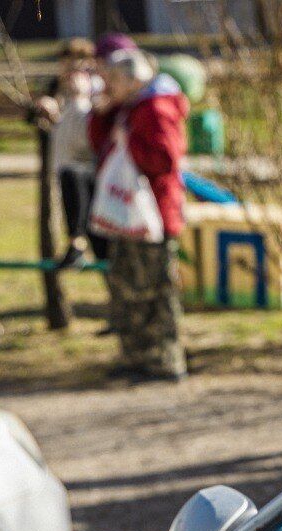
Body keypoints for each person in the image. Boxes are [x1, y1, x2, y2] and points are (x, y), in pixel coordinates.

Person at [88, 49, 190, 382]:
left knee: (155, 289)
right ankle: (136, 355)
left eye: (114, 80)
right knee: (128, 286)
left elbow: (162, 160)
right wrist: (102, 116)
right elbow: (99, 144)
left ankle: (163, 359)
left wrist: (128, 139)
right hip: (129, 213)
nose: (108, 86)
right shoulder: (128, 107)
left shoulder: (155, 107)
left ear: (133, 80)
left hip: (154, 216)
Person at [31, 39, 105, 266]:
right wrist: (50, 113)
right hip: (66, 159)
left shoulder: (94, 86)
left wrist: (79, 98)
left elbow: (89, 128)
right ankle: (78, 245)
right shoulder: (60, 88)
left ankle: (81, 246)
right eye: (65, 64)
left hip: (86, 162)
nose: (70, 70)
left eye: (76, 64)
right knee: (74, 204)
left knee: (88, 210)